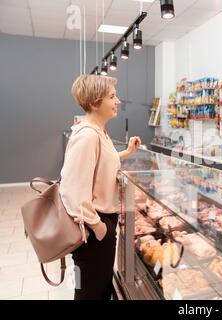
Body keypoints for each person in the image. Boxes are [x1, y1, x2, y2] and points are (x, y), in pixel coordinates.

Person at [60, 74, 141, 299]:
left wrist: (127, 153)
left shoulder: (99, 132)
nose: (118, 101)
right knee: (89, 293)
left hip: (101, 224)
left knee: (101, 288)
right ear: (95, 103)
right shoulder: (86, 136)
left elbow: (103, 162)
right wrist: (99, 227)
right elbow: (71, 191)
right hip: (92, 229)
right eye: (112, 97)